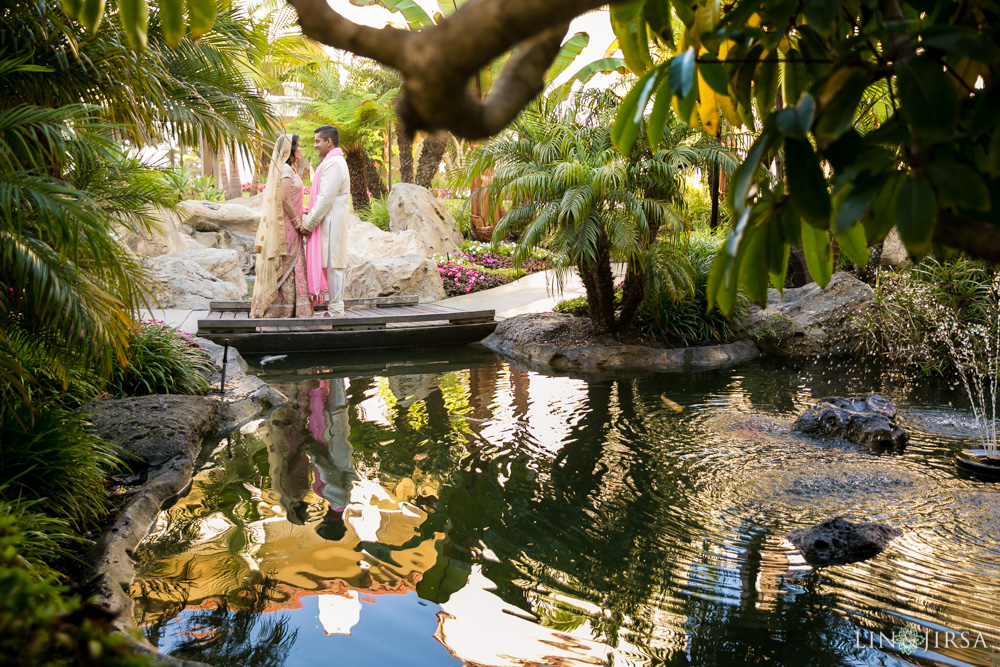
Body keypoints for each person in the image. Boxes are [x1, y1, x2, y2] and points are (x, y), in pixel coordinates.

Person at [250, 134, 313, 318]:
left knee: (293, 265)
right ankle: (276, 308)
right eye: (298, 146)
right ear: (290, 149)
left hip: (291, 224)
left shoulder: (289, 170)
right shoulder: (285, 170)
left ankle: (291, 307)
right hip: (287, 226)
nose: (301, 149)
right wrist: (297, 222)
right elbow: (285, 199)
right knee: (286, 263)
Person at [300, 125, 350, 316]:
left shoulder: (334, 163)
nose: (315, 145)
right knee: (330, 264)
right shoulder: (331, 162)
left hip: (332, 224)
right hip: (328, 224)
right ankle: (334, 308)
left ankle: (337, 310)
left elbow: (325, 198)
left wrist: (308, 224)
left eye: (317, 141)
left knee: (334, 265)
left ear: (329, 142)